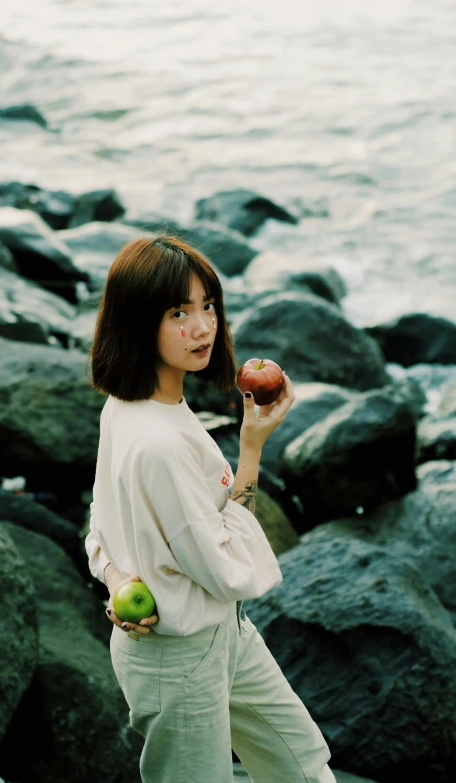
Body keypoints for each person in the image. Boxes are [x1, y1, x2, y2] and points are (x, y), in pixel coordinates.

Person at [85, 235, 336, 783]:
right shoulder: (158, 440)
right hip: (177, 657)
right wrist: (250, 454)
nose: (202, 328)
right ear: (137, 322)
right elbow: (222, 568)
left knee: (303, 764)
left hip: (225, 636)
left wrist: (113, 575)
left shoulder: (134, 407)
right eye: (179, 312)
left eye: (208, 307)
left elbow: (99, 523)